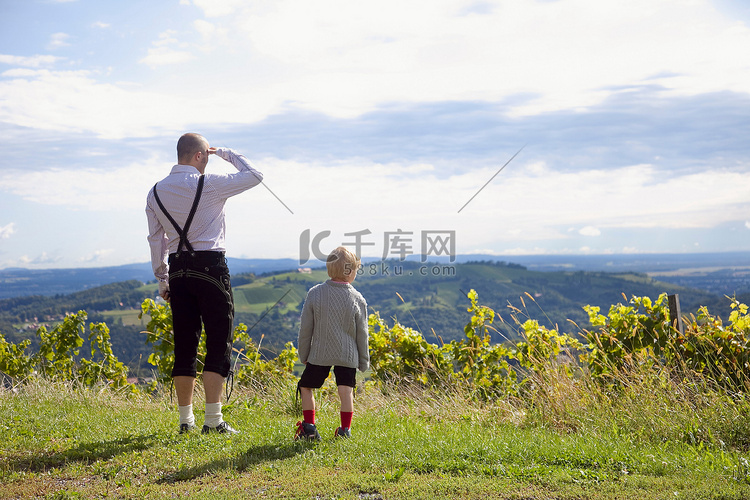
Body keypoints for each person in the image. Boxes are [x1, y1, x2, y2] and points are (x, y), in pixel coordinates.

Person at [145, 133, 263, 435]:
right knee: (218, 342)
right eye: (206, 154)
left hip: (178, 269)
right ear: (199, 155)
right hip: (211, 267)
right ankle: (213, 420)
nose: (208, 159)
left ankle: (186, 421)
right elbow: (254, 175)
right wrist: (225, 152)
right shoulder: (209, 183)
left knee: (185, 345)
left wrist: (162, 278)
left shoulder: (155, 192)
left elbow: (156, 239)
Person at [295, 246, 369, 440]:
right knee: (346, 391)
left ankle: (309, 427)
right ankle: (345, 430)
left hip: (320, 353)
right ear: (351, 272)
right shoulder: (358, 299)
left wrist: (304, 354)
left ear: (329, 269)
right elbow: (362, 334)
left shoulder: (315, 293)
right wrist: (363, 361)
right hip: (348, 355)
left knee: (306, 386)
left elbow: (306, 329)